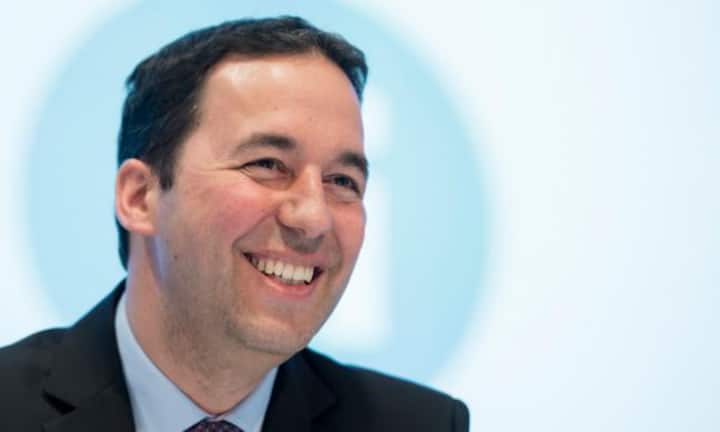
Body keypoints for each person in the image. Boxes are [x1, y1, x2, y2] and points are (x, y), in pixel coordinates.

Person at [0, 16, 469, 431]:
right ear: (140, 197)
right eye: (267, 164)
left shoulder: (420, 424)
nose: (313, 217)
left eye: (342, 181)